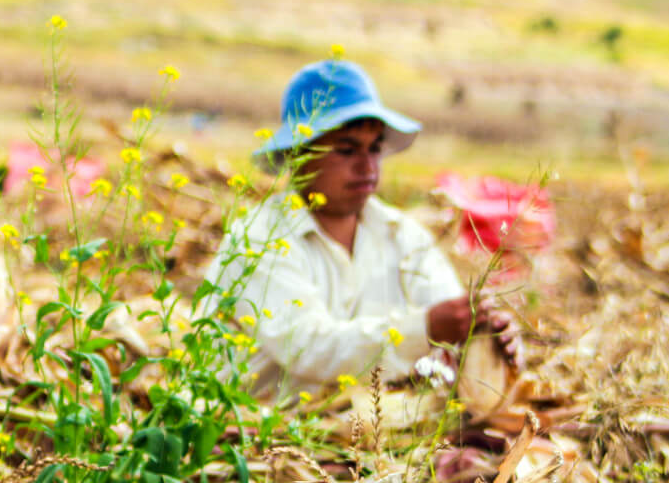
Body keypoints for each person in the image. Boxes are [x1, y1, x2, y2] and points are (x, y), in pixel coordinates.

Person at [203, 60, 517, 393]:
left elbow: (451, 319)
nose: (367, 166)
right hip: (261, 432)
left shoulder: (403, 237)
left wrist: (487, 336)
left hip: (365, 426)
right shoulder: (258, 241)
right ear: (298, 154)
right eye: (347, 150)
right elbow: (308, 348)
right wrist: (424, 328)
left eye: (375, 148)